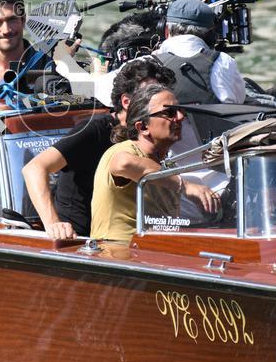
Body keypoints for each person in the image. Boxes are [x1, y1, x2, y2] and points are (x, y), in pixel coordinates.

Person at [21, 59, 176, 239]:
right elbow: (34, 168)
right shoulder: (95, 129)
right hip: (78, 240)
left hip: (130, 237)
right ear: (126, 101)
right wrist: (53, 224)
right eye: (151, 96)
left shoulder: (160, 131)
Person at [91, 84, 220, 243]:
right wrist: (186, 186)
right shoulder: (123, 150)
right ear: (143, 127)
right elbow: (123, 164)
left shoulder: (167, 166)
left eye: (181, 111)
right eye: (169, 113)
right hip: (117, 255)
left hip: (155, 254)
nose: (180, 117)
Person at [153, 0, 245, 105]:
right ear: (210, 35)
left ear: (166, 31)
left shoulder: (146, 64)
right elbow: (240, 100)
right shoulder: (224, 61)